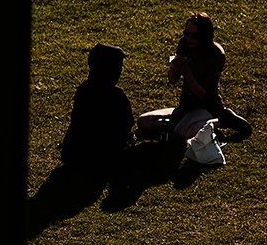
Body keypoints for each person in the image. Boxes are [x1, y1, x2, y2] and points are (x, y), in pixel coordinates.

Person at [135, 12, 252, 146]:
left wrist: (188, 74)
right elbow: (173, 80)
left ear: (204, 36)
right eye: (187, 33)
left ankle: (223, 120)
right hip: (186, 104)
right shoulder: (184, 44)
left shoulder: (216, 54)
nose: (189, 38)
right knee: (144, 121)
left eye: (195, 36)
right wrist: (174, 67)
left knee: (180, 133)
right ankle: (196, 127)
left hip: (207, 106)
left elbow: (204, 94)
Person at [59, 43, 134, 175]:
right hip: (104, 158)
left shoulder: (83, 90)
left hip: (73, 155)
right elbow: (126, 124)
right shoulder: (116, 95)